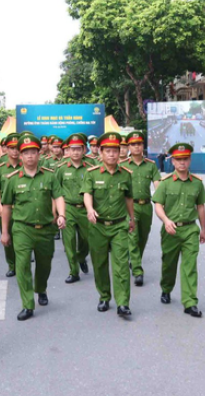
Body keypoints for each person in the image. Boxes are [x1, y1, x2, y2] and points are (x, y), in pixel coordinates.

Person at [1, 133, 66, 321]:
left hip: (46, 228)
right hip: (22, 228)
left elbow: (58, 197)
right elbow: (6, 207)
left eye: (33, 152)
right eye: (26, 153)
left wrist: (61, 215)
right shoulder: (12, 179)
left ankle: (41, 288)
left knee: (44, 264)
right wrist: (5, 231)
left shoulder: (50, 176)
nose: (30, 156)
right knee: (22, 266)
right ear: (20, 156)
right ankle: (27, 304)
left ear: (39, 154)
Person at [82, 132, 135, 316]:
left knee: (121, 264)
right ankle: (104, 296)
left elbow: (129, 198)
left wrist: (132, 218)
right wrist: (89, 209)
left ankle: (123, 303)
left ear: (120, 152)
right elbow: (87, 193)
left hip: (119, 225)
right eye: (108, 151)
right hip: (98, 226)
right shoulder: (91, 174)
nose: (112, 154)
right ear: (101, 153)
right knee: (100, 263)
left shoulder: (126, 175)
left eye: (115, 151)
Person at [153, 143, 205, 318]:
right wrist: (166, 220)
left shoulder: (197, 183)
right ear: (173, 161)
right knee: (169, 264)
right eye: (178, 159)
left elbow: (200, 206)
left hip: (190, 229)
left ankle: (190, 302)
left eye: (185, 159)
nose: (182, 163)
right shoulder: (165, 183)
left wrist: (203, 229)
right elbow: (158, 205)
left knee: (189, 266)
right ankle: (166, 288)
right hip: (171, 230)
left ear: (190, 160)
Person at [120, 131, 161, 286]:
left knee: (143, 238)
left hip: (146, 207)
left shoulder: (150, 165)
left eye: (139, 144)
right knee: (133, 236)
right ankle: (137, 270)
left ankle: (134, 259)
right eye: (133, 144)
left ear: (143, 146)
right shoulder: (123, 166)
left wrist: (162, 201)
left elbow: (157, 183)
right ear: (129, 147)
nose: (136, 147)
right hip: (130, 207)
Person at [55, 134, 92, 284]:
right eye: (72, 149)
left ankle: (81, 257)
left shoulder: (91, 168)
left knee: (87, 240)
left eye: (79, 149)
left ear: (84, 150)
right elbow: (56, 192)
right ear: (68, 150)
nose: (75, 152)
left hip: (85, 209)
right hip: (68, 208)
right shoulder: (61, 169)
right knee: (68, 241)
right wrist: (58, 213)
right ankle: (73, 271)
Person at [0, 133, 21, 277]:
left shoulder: (28, 167)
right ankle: (12, 265)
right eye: (11, 148)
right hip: (6, 210)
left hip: (22, 210)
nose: (15, 151)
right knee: (7, 238)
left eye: (17, 148)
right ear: (6, 149)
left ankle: (22, 265)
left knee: (22, 241)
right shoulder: (0, 168)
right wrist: (0, 206)